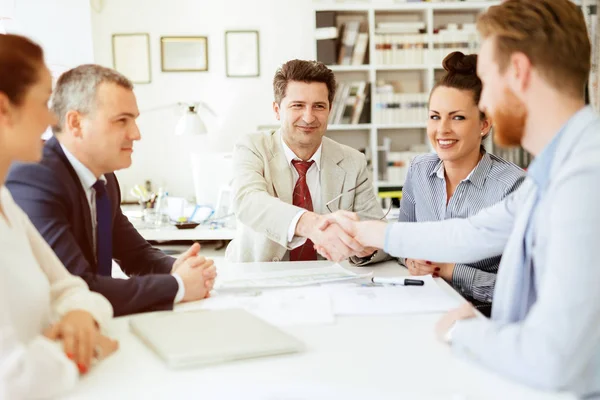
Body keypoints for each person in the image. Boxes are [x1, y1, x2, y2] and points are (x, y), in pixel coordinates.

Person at [318, 0, 600, 394]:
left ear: (517, 72)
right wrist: (365, 230)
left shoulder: (585, 178)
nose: (484, 104)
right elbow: (470, 232)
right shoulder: (555, 169)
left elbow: (557, 360)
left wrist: (461, 332)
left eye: (486, 79)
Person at [6, 64, 217, 317]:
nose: (136, 134)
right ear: (76, 123)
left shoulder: (104, 177)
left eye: (134, 120)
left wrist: (178, 267)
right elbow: (79, 286)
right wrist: (178, 285)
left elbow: (136, 255)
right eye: (121, 121)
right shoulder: (36, 176)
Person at [0, 34, 117, 399]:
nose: (52, 118)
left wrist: (82, 316)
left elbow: (72, 289)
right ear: (4, 110)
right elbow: (12, 380)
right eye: (43, 99)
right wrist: (88, 348)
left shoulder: (5, 202)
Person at [225, 59, 388, 264]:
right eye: (298, 106)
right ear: (277, 110)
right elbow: (248, 201)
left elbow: (379, 236)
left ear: (329, 110)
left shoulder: (352, 161)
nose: (309, 117)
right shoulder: (252, 147)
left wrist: (365, 248)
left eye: (319, 106)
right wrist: (311, 224)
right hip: (260, 279)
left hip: (328, 283)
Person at [399, 51, 525, 315]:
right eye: (435, 116)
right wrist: (411, 258)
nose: (442, 129)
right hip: (422, 305)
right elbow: (404, 241)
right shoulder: (419, 171)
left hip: (486, 318)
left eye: (457, 117)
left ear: (484, 125)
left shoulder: (513, 186)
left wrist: (448, 270)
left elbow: (523, 289)